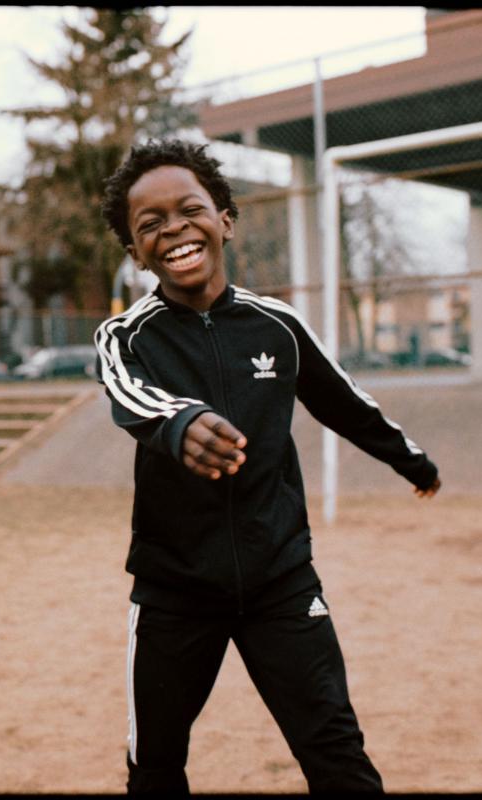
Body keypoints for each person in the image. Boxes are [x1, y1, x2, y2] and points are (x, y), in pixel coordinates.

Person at [94, 139, 441, 794]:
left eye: (190, 210)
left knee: (338, 756)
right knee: (155, 766)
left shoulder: (276, 325)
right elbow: (128, 393)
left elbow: (347, 404)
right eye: (151, 224)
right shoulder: (125, 336)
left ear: (224, 220)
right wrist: (181, 422)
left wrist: (413, 462)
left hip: (280, 579)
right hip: (174, 590)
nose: (174, 230)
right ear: (135, 251)